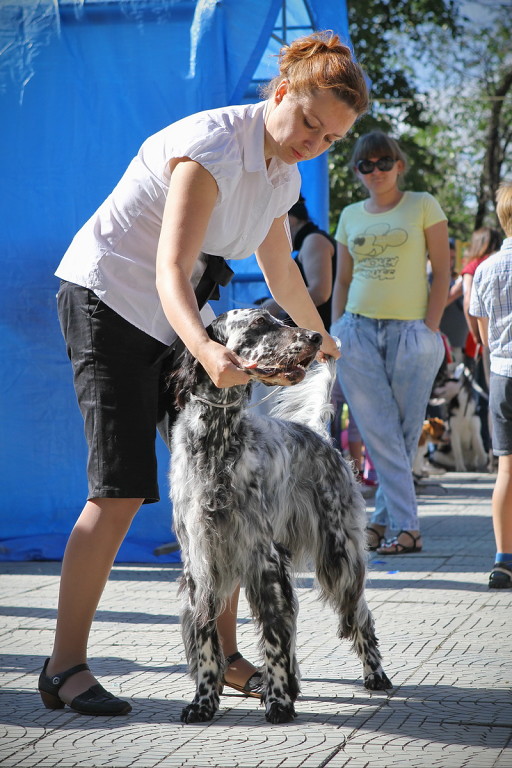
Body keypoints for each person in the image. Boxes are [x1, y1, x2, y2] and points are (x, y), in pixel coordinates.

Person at [39, 32, 369, 716]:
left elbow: (280, 271)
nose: (315, 141)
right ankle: (63, 665)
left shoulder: (283, 176)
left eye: (332, 137)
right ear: (281, 93)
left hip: (179, 314)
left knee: (223, 484)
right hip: (111, 302)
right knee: (120, 489)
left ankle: (224, 657)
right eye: (309, 122)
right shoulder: (214, 146)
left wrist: (321, 341)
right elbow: (168, 268)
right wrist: (209, 352)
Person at [331, 131, 450, 555]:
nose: (376, 171)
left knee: (396, 434)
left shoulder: (423, 204)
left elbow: (443, 272)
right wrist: (335, 331)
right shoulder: (348, 214)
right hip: (357, 331)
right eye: (366, 164)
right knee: (381, 432)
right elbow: (342, 280)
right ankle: (408, 527)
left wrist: (429, 328)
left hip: (412, 333)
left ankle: (382, 521)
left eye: (384, 162)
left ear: (399, 165)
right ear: (358, 171)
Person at [469, 182, 512, 589]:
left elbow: (482, 336)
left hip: (501, 376)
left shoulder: (485, 268)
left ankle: (503, 558)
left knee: (506, 469)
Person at [261, 195, 336, 328]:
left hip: (325, 333)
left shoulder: (314, 240)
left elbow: (320, 293)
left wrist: (277, 303)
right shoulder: (311, 241)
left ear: (290, 219)